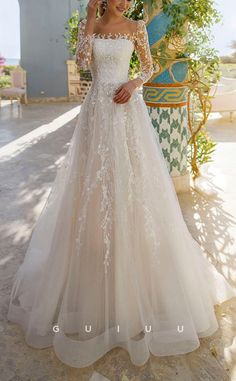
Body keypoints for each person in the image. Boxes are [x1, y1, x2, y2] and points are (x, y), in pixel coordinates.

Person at [7, 0, 236, 369]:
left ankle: (133, 258)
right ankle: (97, 251)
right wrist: (89, 19)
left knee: (133, 185)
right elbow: (83, 63)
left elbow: (148, 66)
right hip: (97, 111)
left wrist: (133, 82)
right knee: (93, 186)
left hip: (126, 109)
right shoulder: (92, 26)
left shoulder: (136, 27)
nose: (125, 2)